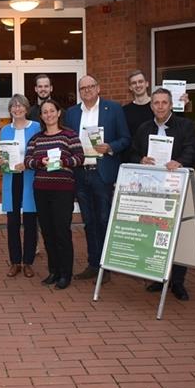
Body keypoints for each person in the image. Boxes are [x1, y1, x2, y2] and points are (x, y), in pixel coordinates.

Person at [130, 87, 195, 300]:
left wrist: (180, 162)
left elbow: (191, 149)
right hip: (152, 189)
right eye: (156, 103)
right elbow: (132, 151)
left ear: (171, 104)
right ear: (151, 106)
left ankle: (177, 282)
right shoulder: (143, 128)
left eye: (164, 103)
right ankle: (158, 278)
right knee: (155, 233)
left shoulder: (185, 125)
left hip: (175, 185)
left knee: (176, 235)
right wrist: (140, 159)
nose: (160, 106)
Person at [64, 75, 131, 284]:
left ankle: (105, 266)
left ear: (98, 88)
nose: (87, 90)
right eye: (82, 88)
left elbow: (126, 139)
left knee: (103, 220)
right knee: (89, 221)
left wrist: (110, 147)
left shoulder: (113, 109)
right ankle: (94, 264)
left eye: (91, 86)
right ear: (79, 91)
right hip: (81, 173)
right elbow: (68, 141)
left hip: (102, 173)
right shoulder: (72, 113)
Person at [24, 99, 85, 289]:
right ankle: (54, 271)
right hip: (41, 189)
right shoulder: (36, 139)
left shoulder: (69, 135)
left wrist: (63, 163)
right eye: (45, 112)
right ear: (41, 116)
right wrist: (40, 162)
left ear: (58, 113)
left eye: (52, 111)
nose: (48, 114)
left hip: (63, 191)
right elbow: (27, 161)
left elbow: (80, 158)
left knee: (62, 231)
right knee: (48, 232)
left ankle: (65, 273)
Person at [0, 94, 42, 277]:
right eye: (13, 106)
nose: (17, 109)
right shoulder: (5, 130)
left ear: (27, 108)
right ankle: (15, 261)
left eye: (20, 105)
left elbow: (41, 153)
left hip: (30, 177)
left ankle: (28, 262)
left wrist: (28, 163)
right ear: (10, 110)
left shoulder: (37, 127)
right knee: (13, 221)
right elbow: (0, 154)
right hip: (12, 178)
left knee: (30, 221)